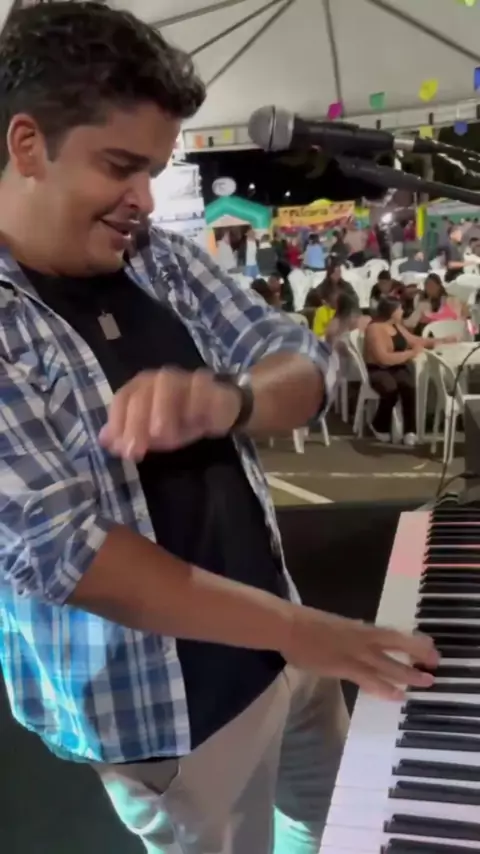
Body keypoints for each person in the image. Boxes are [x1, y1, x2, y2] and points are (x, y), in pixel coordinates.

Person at [0, 5, 438, 854]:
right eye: (120, 166)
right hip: (166, 711)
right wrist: (310, 633)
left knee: (333, 824)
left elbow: (301, 361)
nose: (143, 198)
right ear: (27, 144)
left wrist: (230, 400)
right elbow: (60, 550)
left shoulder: (152, 257)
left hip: (286, 639)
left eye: (153, 169)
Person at [364, 297, 452, 446]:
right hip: (379, 368)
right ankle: (379, 424)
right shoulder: (374, 329)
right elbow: (383, 358)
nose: (402, 311)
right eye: (399, 309)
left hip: (397, 366)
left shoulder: (396, 326)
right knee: (390, 388)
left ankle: (410, 430)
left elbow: (415, 341)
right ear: (391, 311)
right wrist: (411, 353)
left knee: (409, 386)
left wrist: (441, 341)